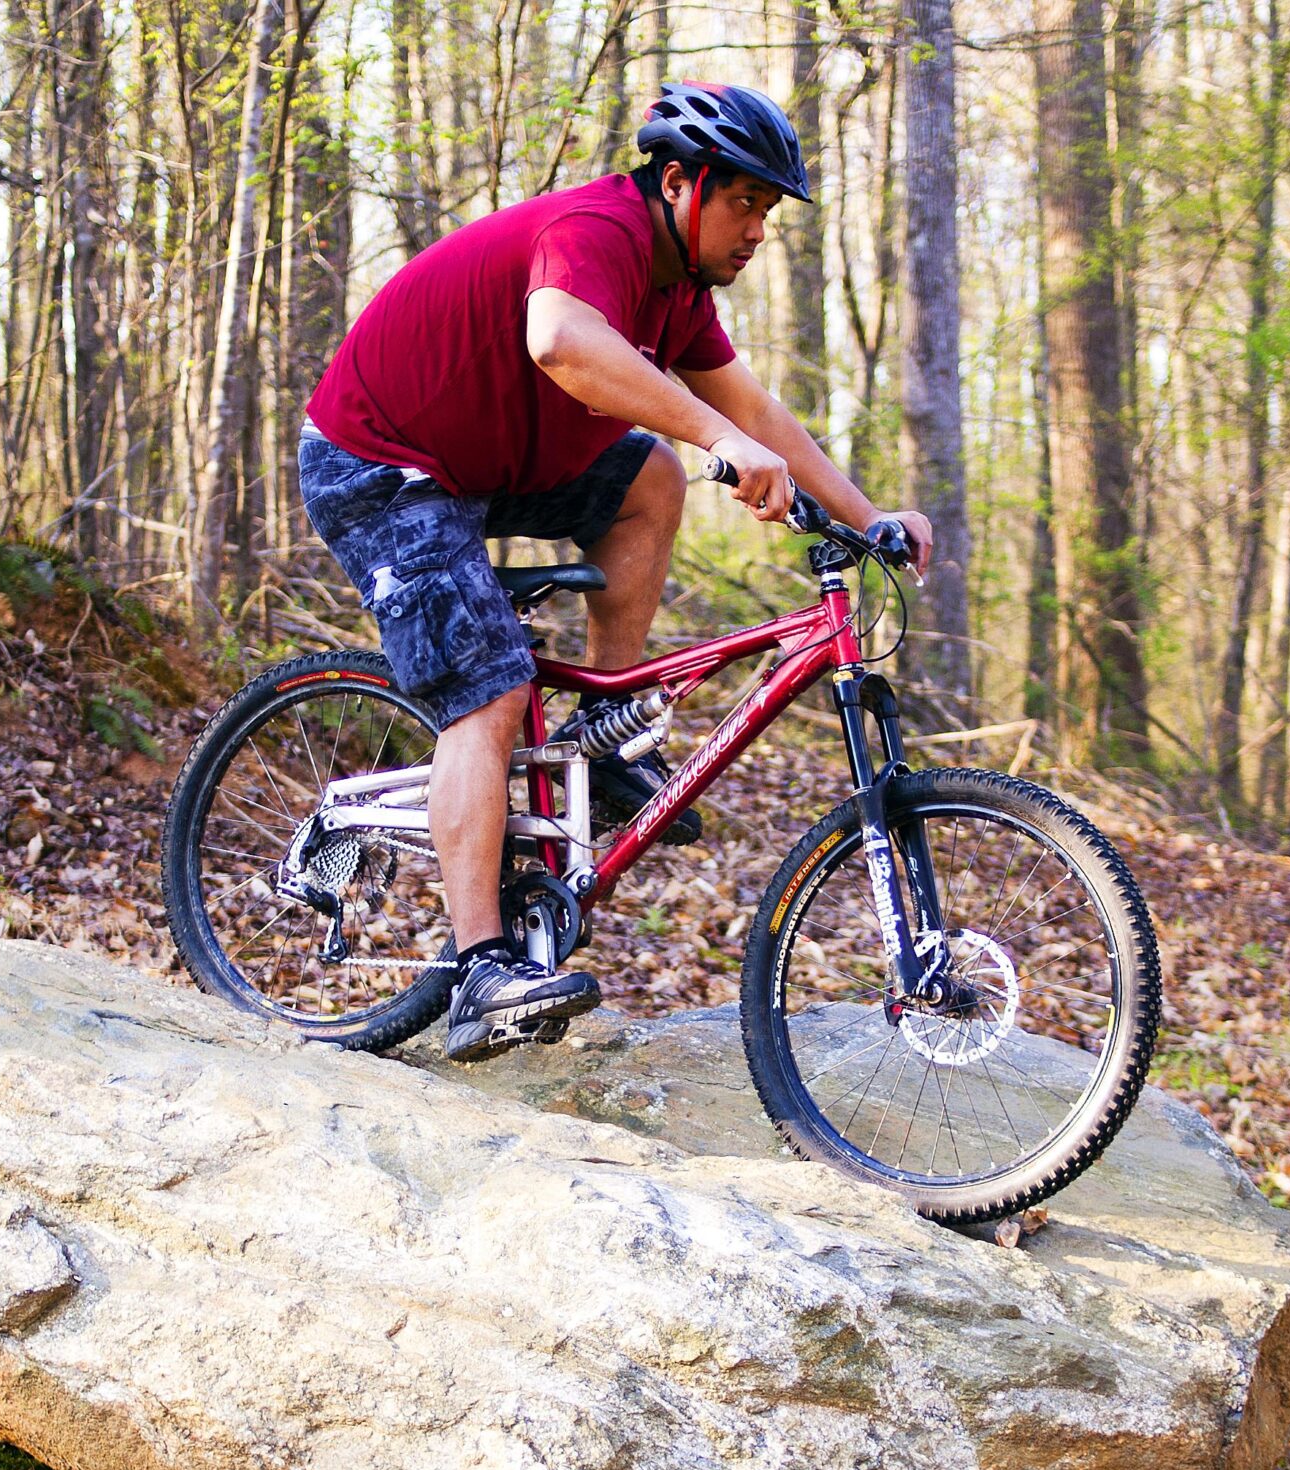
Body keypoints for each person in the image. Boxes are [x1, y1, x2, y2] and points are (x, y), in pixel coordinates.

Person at [299, 81, 934, 1063]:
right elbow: (559, 340)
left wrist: (868, 515)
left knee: (647, 477)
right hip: (383, 462)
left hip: (489, 466)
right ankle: (479, 973)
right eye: (745, 203)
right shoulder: (596, 228)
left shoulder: (681, 292)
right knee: (491, 686)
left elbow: (758, 414)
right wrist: (718, 439)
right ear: (680, 183)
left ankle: (597, 739)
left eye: (768, 210)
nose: (757, 229)